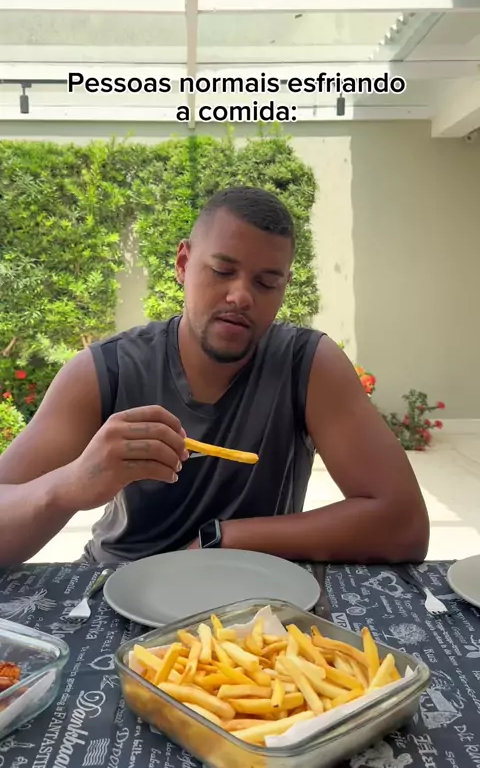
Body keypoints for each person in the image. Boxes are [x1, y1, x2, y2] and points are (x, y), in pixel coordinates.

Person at [0, 186, 429, 566]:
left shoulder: (308, 365)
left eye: (266, 283)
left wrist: (225, 538)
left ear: (284, 287)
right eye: (222, 271)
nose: (241, 296)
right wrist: (70, 484)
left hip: (252, 603)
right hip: (113, 585)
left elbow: (404, 523)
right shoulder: (105, 370)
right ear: (183, 264)